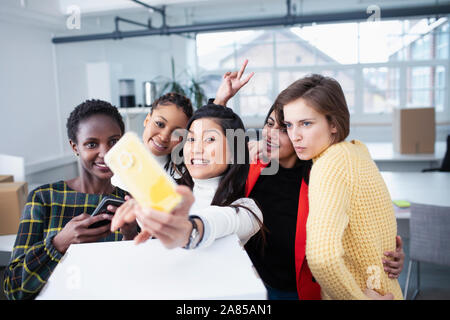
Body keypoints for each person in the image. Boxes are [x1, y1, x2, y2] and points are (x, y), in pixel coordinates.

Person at [212, 63, 405, 300]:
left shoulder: (322, 173)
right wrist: (220, 101)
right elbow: (202, 146)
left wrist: (385, 255)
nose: (274, 134)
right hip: (253, 282)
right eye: (271, 124)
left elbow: (354, 231)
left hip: (299, 291)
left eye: (285, 128)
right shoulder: (253, 163)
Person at [276, 74, 404, 300]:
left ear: (333, 124)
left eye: (306, 123)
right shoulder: (357, 151)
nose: (295, 136)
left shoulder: (329, 165)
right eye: (289, 125)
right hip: (385, 289)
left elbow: (322, 257)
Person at [3, 100, 135, 300]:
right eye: (91, 144)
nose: (106, 153)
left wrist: (131, 235)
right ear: (75, 147)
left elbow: (140, 279)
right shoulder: (44, 198)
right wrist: (58, 243)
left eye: (114, 142)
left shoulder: (130, 202)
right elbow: (13, 288)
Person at [111, 104, 263, 249]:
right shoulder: (168, 195)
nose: (196, 149)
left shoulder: (248, 211)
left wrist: (187, 230)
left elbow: (218, 220)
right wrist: (130, 233)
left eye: (210, 139)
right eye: (191, 139)